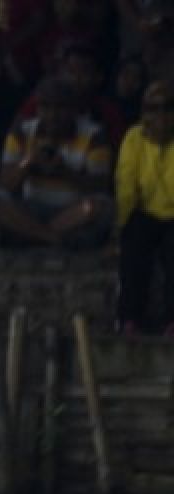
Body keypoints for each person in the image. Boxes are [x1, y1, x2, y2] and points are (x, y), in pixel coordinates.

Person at [0, 77, 113, 248]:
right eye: (45, 108)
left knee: (101, 206)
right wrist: (27, 163)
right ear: (37, 109)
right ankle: (51, 238)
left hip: (71, 211)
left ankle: (27, 235)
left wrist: (65, 172)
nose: (52, 115)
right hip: (28, 209)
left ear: (73, 109)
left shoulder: (94, 135)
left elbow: (101, 186)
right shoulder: (21, 131)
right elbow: (4, 184)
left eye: (60, 108)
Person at [114, 80, 174, 336]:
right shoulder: (134, 137)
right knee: (133, 247)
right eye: (152, 108)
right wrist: (119, 229)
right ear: (143, 113)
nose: (160, 115)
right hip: (145, 214)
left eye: (168, 108)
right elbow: (126, 186)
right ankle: (129, 319)